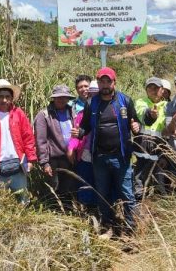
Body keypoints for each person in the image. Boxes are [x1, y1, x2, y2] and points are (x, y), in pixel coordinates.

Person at [72, 67, 141, 237]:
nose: (105, 84)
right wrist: (79, 133)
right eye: (101, 81)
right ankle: (108, 227)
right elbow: (85, 127)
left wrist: (136, 127)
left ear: (114, 82)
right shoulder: (91, 103)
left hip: (121, 157)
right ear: (98, 82)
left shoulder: (125, 101)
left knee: (127, 194)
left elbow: (136, 123)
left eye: (108, 81)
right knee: (102, 194)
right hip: (100, 158)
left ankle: (130, 230)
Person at [34, 84, 77, 209]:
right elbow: (40, 140)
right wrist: (44, 162)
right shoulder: (44, 115)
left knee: (68, 187)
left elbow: (77, 133)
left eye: (65, 97)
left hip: (70, 157)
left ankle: (67, 211)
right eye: (59, 97)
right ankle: (54, 211)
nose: (62, 100)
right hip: (54, 159)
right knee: (54, 187)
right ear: (53, 98)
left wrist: (73, 149)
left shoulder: (72, 112)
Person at [134, 77, 168, 199]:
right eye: (150, 88)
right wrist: (150, 114)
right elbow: (142, 114)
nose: (153, 90)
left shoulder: (167, 106)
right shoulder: (140, 102)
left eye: (156, 88)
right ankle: (138, 203)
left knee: (159, 180)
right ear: (146, 90)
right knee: (139, 178)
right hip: (142, 147)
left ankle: (159, 203)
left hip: (159, 148)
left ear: (162, 90)